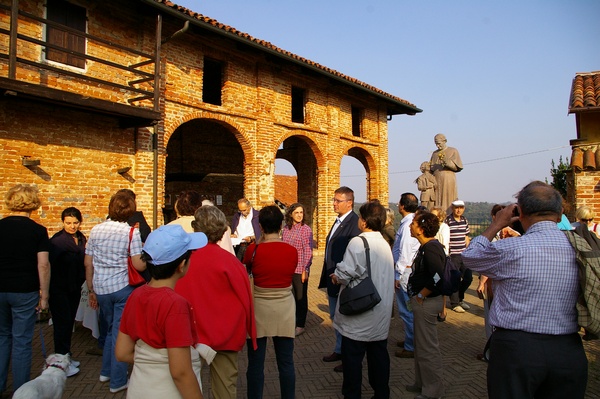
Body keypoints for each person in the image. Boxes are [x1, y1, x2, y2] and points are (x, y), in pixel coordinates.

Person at [462, 181, 588, 399]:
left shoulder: (509, 248)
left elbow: (470, 256)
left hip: (516, 349)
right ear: (560, 214)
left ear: (520, 212)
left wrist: (497, 224)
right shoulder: (582, 249)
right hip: (568, 348)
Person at [116, 224, 207, 399]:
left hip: (139, 388)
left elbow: (122, 352)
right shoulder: (175, 305)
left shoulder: (136, 295)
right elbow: (181, 372)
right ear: (182, 265)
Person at [176, 205, 257, 399]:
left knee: (186, 385)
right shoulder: (231, 262)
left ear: (196, 228)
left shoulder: (183, 262)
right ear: (222, 230)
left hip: (189, 334)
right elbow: (246, 299)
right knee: (225, 388)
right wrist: (250, 332)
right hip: (225, 334)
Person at [331, 200, 395, 399]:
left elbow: (346, 272)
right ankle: (381, 392)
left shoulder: (359, 242)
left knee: (353, 359)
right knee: (378, 356)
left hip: (361, 310)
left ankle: (352, 394)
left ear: (365, 221)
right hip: (381, 306)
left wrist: (336, 276)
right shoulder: (384, 243)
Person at [84, 191, 146, 394]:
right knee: (122, 334)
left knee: (109, 330)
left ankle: (106, 371)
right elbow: (138, 264)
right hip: (122, 287)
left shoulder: (96, 230)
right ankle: (118, 380)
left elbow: (88, 262)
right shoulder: (131, 232)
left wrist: (91, 288)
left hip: (101, 287)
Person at [0, 184, 50, 394]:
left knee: (2, 337)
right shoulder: (37, 231)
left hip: (0, 288)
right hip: (24, 290)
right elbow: (43, 264)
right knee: (22, 341)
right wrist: (45, 295)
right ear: (33, 203)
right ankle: (20, 390)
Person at [243, 205, 297, 399]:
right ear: (281, 225)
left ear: (261, 226)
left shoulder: (253, 250)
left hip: (259, 307)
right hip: (284, 307)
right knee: (286, 362)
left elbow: (247, 266)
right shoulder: (291, 251)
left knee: (256, 363)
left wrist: (259, 240)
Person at [318, 186, 361, 372]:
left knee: (346, 321)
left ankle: (349, 357)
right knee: (336, 317)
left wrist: (342, 275)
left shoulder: (354, 223)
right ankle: (339, 349)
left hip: (344, 280)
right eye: (334, 200)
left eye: (338, 201)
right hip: (333, 277)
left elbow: (353, 255)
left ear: (349, 202)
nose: (334, 204)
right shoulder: (339, 221)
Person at [405, 211, 446, 399]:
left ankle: (432, 391)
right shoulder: (426, 247)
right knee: (420, 345)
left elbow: (438, 276)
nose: (410, 226)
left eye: (413, 223)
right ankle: (421, 383)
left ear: (421, 228)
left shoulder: (431, 248)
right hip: (422, 302)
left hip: (427, 303)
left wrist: (421, 295)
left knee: (428, 348)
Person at [49, 207, 87, 377]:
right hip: (59, 289)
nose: (72, 226)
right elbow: (49, 266)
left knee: (69, 322)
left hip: (74, 287)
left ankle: (67, 356)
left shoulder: (81, 238)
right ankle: (61, 361)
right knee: (62, 325)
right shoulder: (57, 241)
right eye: (68, 223)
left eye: (75, 223)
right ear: (63, 222)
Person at [392, 193, 420, 358]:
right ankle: (411, 339)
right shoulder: (410, 222)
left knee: (407, 310)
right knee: (408, 310)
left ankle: (411, 346)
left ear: (403, 206)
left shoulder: (409, 224)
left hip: (404, 273)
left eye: (399, 203)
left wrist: (398, 275)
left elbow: (405, 252)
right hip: (406, 271)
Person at [281, 203, 314, 337]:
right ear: (290, 214)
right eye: (297, 213)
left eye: (301, 212)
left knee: (300, 297)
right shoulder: (286, 229)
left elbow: (308, 251)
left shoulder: (306, 230)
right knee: (290, 296)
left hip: (300, 268)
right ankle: (291, 321)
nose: (300, 215)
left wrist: (305, 269)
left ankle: (300, 325)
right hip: (288, 268)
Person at [444, 200, 472, 313]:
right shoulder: (448, 221)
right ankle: (455, 303)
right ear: (452, 208)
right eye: (456, 208)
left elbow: (466, 236)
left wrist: (469, 250)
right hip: (453, 255)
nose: (459, 210)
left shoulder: (464, 220)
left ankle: (460, 298)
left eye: (461, 207)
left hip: (464, 254)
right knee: (454, 278)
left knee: (468, 277)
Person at [429, 134, 463, 213]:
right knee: (437, 199)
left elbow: (457, 167)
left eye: (439, 143)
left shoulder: (453, 150)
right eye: (436, 144)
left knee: (448, 197)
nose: (438, 146)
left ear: (445, 141)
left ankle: (448, 214)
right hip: (436, 179)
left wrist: (447, 162)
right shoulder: (434, 153)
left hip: (448, 179)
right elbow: (431, 168)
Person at [430, 207, 449, 322]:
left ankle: (443, 310)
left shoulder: (444, 228)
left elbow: (445, 244)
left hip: (441, 259)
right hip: (433, 257)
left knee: (440, 284)